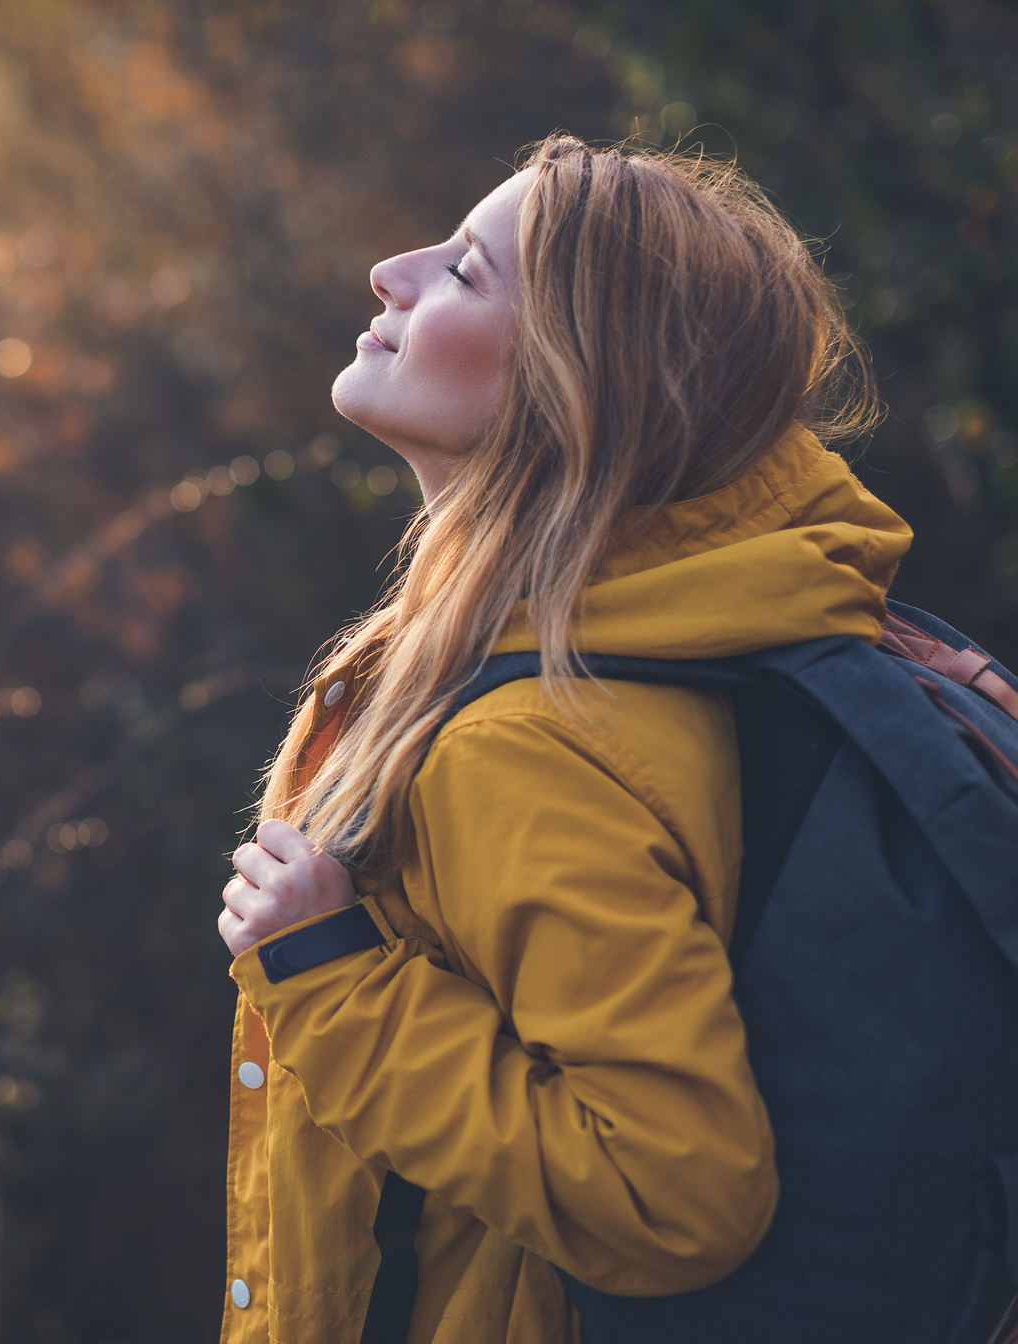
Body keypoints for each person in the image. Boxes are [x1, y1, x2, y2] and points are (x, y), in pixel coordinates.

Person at [216, 134, 902, 1343]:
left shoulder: (524, 743)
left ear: (575, 383)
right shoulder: (677, 634)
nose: (392, 269)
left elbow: (676, 1194)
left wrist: (335, 982)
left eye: (468, 273)